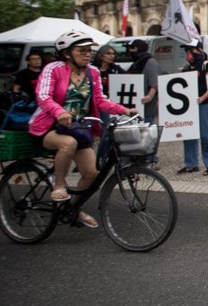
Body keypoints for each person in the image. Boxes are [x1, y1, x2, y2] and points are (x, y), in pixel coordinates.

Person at [29, 30, 135, 228]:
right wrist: (59, 112)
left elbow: (100, 101)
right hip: (48, 126)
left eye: (89, 50)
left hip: (76, 128)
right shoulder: (54, 69)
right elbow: (43, 96)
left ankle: (73, 209)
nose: (88, 54)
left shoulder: (92, 72)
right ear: (67, 53)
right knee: (68, 144)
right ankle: (59, 186)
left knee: (92, 173)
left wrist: (125, 110)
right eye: (82, 51)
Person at [178, 40, 208, 176]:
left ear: (198, 50)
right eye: (186, 51)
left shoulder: (206, 66)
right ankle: (191, 163)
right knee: (188, 134)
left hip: (204, 104)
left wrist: (202, 97)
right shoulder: (186, 68)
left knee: (206, 134)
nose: (188, 54)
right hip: (189, 106)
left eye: (191, 51)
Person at [125, 39, 161, 125]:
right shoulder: (137, 63)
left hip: (147, 107)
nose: (129, 51)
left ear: (138, 49)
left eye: (131, 48)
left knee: (146, 131)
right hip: (136, 104)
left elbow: (155, 82)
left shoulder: (150, 62)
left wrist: (150, 95)